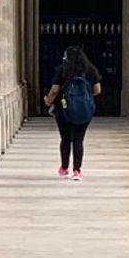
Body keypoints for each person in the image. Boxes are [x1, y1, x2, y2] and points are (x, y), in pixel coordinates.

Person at [43, 46, 101, 180]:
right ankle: (77, 170)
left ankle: (64, 168)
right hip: (83, 111)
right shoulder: (90, 70)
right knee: (79, 139)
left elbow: (54, 90)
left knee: (65, 138)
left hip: (63, 109)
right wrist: (83, 98)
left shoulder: (61, 70)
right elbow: (97, 90)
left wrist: (47, 101)